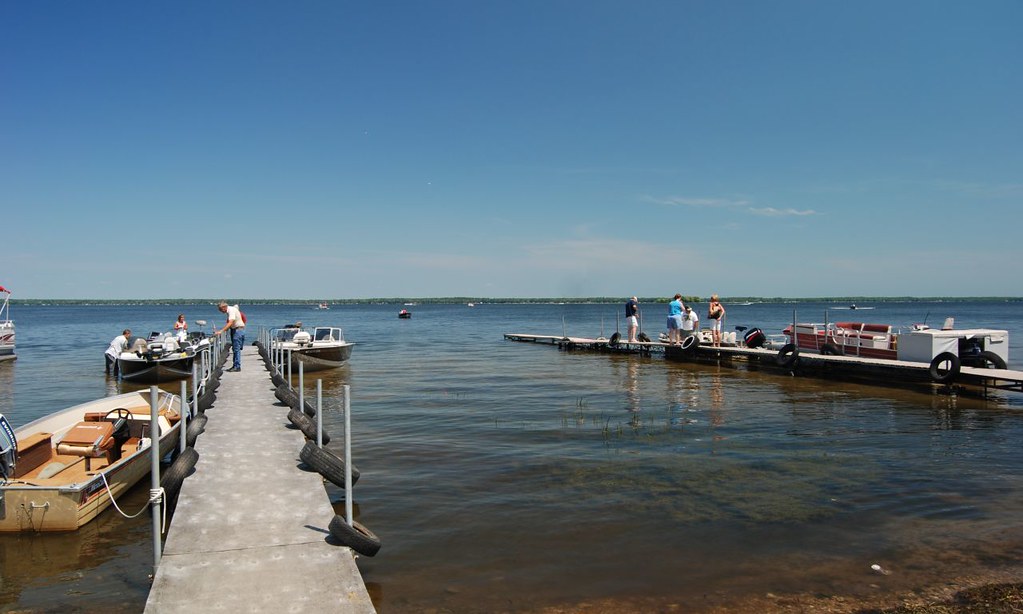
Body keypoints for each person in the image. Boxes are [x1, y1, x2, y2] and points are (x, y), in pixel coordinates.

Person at [216, 301, 246, 371]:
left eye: (220, 310)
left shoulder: (231, 310)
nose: (220, 311)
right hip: (235, 329)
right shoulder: (230, 311)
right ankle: (235, 365)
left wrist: (221, 331)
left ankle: (237, 366)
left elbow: (230, 322)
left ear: (224, 307)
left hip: (238, 330)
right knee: (235, 348)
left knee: (236, 349)